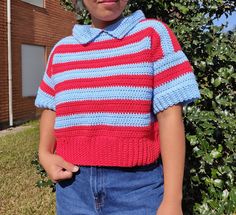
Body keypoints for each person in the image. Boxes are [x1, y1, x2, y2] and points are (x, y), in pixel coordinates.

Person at [35, 0, 201, 214]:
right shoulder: (62, 50)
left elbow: (170, 116)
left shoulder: (152, 35)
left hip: (137, 189)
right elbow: (51, 106)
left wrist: (172, 200)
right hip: (73, 189)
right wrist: (44, 153)